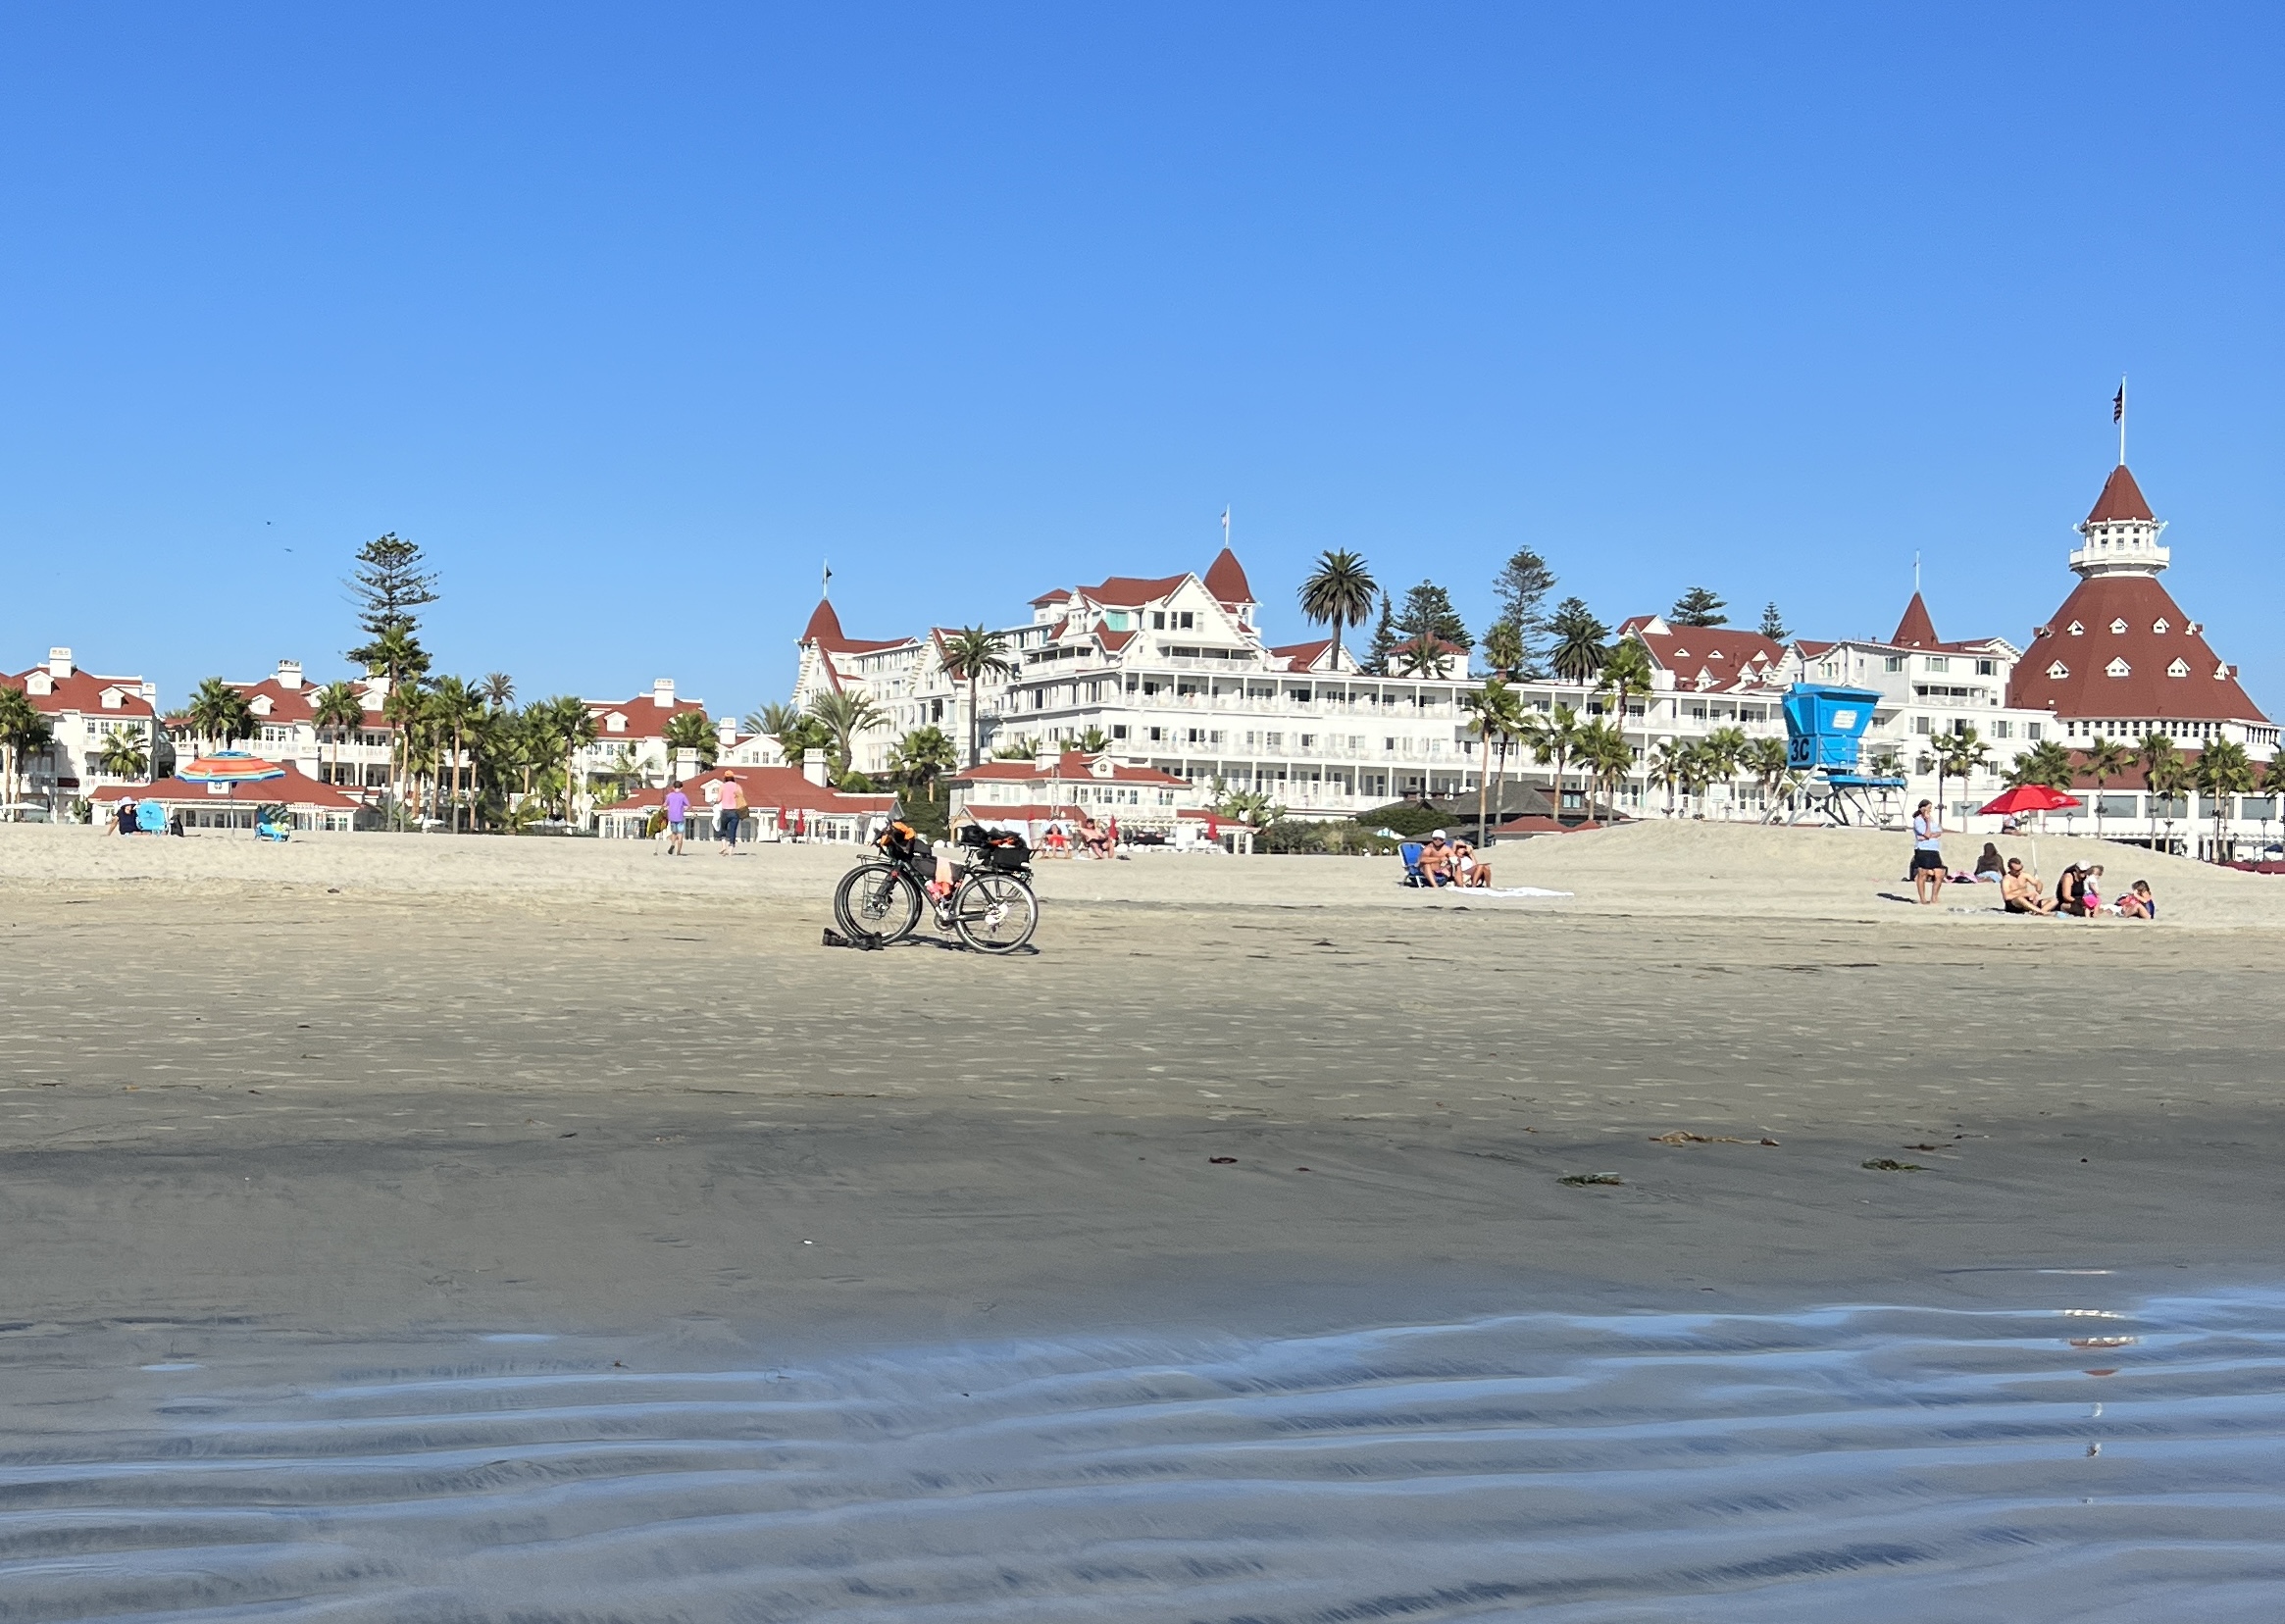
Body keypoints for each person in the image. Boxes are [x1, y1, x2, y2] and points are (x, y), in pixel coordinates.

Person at [1909, 800, 1946, 904]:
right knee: (1923, 874)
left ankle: (1934, 897)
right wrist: (1927, 822)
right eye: (1929, 808)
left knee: (1939, 874)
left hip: (1934, 849)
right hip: (1923, 849)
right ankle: (1923, 899)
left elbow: (1938, 832)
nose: (1930, 810)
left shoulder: (1932, 819)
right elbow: (1927, 833)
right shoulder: (1918, 820)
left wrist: (1928, 836)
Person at [716, 773, 745, 855]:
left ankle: (723, 846)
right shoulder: (737, 786)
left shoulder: (722, 786)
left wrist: (714, 802)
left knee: (723, 829)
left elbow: (719, 799)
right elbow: (741, 797)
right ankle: (730, 850)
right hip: (735, 811)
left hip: (725, 810)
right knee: (733, 830)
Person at [663, 784, 689, 855]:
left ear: (673, 788)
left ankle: (672, 844)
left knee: (674, 833)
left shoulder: (669, 795)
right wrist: (692, 811)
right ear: (681, 788)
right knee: (680, 834)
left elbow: (665, 804)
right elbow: (688, 805)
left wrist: (662, 809)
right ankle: (678, 851)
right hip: (680, 818)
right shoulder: (682, 796)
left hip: (672, 817)